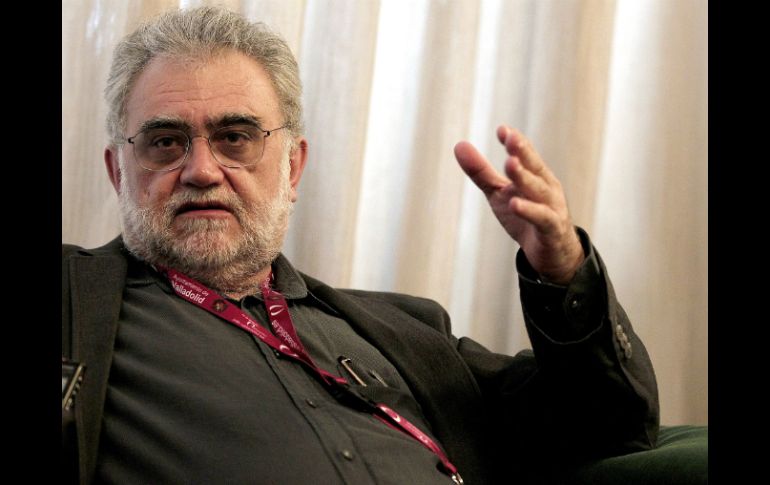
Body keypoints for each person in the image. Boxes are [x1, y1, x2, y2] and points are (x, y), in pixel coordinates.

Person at [61, 6, 658, 485]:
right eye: (165, 142)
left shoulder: (406, 333)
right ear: (118, 172)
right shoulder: (72, 304)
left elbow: (609, 425)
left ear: (293, 167)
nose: (201, 170)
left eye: (236, 137)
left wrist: (562, 269)